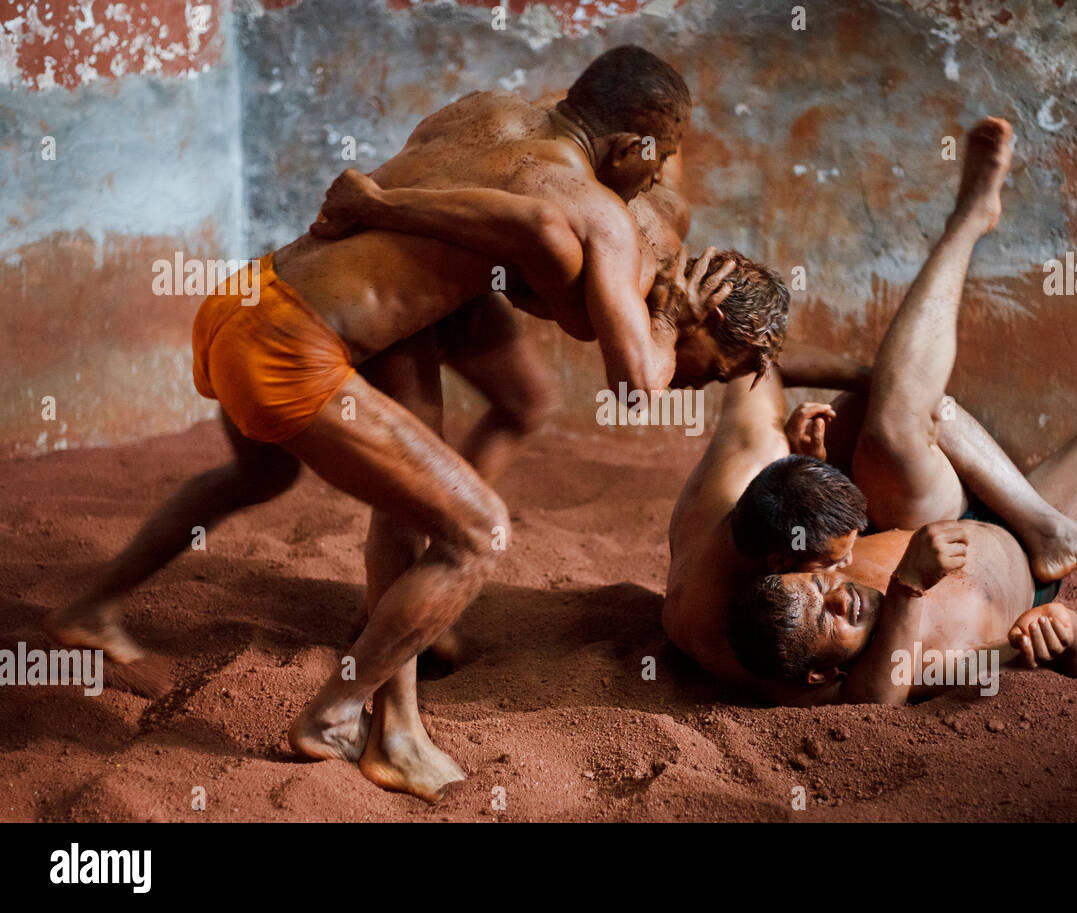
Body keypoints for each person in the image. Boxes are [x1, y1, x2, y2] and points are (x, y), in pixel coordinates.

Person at [48, 46, 783, 804]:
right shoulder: (595, 213)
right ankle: (337, 714)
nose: (657, 179)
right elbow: (633, 383)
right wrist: (664, 317)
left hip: (248, 295)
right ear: (629, 148)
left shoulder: (483, 110)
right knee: (476, 532)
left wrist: (381, 211)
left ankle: (91, 608)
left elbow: (492, 233)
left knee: (263, 474)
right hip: (289, 348)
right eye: (657, 162)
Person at [663, 117, 1077, 705]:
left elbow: (765, 366)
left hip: (934, 515)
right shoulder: (751, 641)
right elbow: (875, 696)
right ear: (781, 559)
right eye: (835, 558)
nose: (845, 572)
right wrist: (918, 593)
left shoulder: (750, 481)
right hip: (1013, 571)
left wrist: (879, 387)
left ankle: (969, 220)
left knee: (887, 414)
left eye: (831, 572)